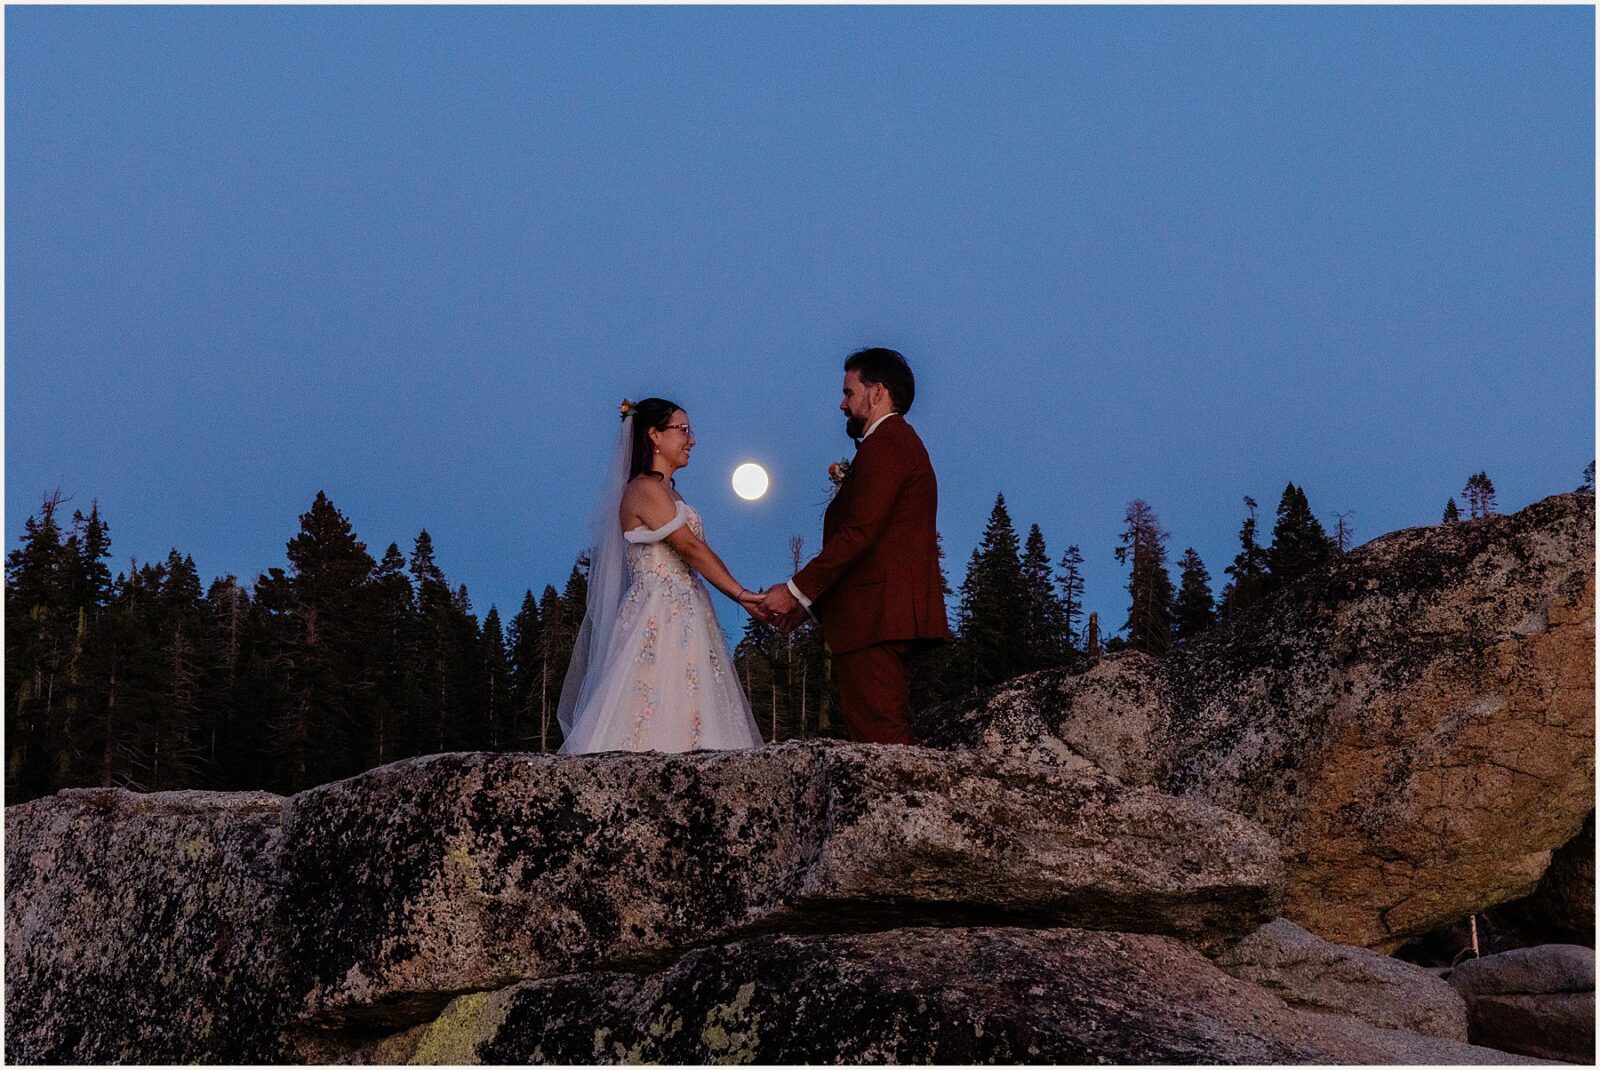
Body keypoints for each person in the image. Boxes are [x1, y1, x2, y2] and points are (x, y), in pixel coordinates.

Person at [757, 348, 952, 744]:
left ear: (877, 392)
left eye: (849, 392)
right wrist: (808, 606)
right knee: (877, 732)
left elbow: (859, 533)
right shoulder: (889, 446)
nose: (842, 404)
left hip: (878, 618)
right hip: (876, 616)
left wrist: (795, 591)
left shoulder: (889, 445)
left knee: (883, 740)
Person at [557, 397, 766, 754]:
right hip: (659, 616)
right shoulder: (643, 489)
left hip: (687, 615)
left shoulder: (669, 492)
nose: (692, 440)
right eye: (682, 430)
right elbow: (690, 548)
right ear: (654, 435)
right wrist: (742, 595)